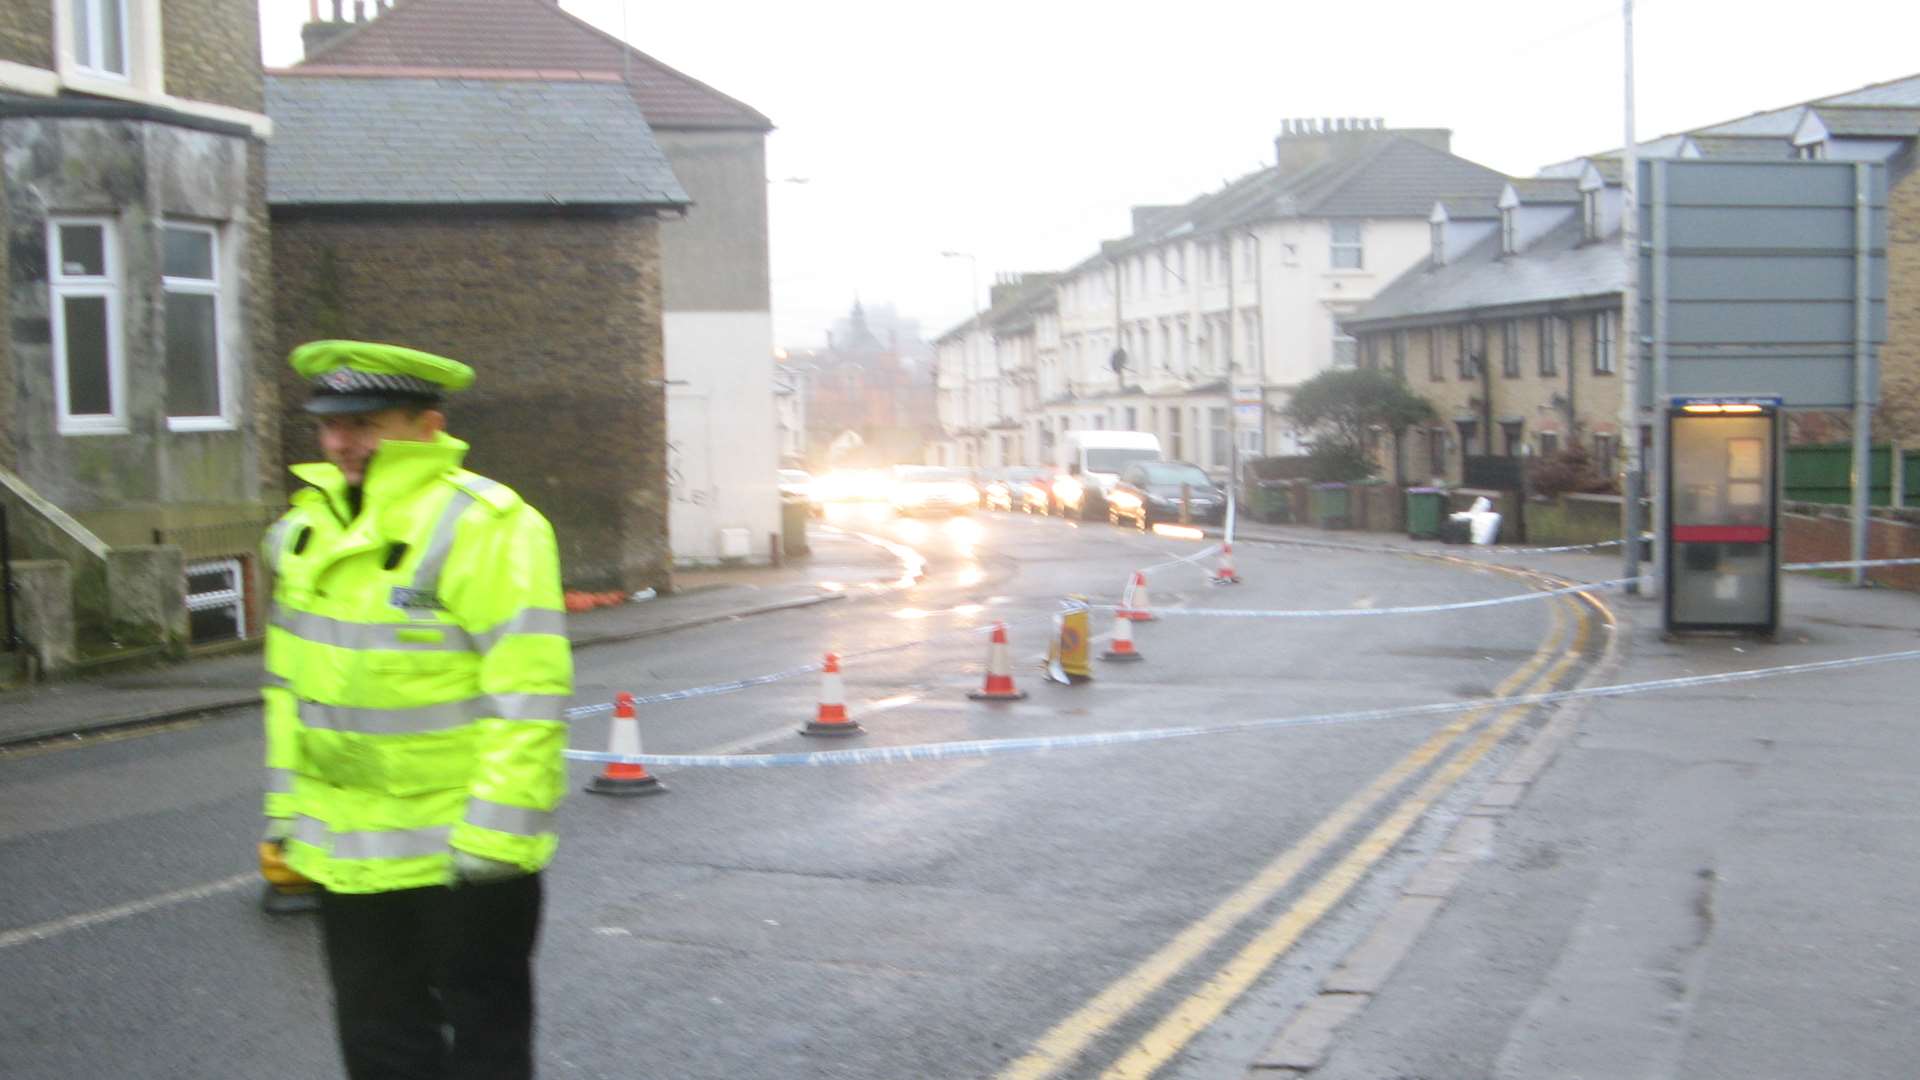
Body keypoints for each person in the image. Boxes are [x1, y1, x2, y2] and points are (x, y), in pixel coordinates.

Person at [258, 340, 572, 1079]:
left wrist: (496, 842)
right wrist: (286, 818)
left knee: (484, 1045)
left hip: (464, 857)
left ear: (426, 425)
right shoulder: (306, 533)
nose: (341, 442)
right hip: (349, 856)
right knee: (378, 1044)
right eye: (330, 425)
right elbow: (288, 694)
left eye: (364, 423)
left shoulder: (490, 525)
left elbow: (526, 695)